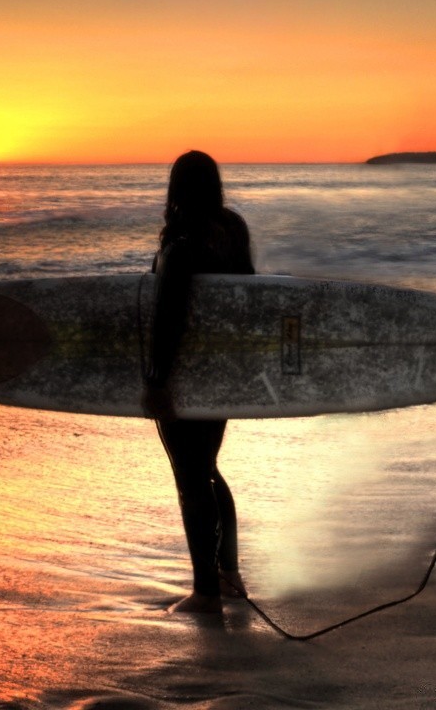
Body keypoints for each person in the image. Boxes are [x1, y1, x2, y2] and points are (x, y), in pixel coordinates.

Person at [142, 150, 254, 615]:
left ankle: (205, 592)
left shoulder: (182, 243)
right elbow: (247, 296)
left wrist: (156, 382)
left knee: (191, 478)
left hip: (186, 375)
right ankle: (229, 576)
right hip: (222, 372)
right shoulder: (231, 231)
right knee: (207, 468)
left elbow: (168, 318)